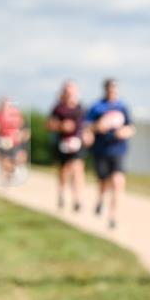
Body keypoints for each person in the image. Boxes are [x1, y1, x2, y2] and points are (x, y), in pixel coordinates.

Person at [84, 79, 135, 230]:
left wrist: (125, 132)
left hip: (118, 149)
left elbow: (131, 127)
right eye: (110, 89)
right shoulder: (96, 107)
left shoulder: (122, 107)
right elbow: (87, 127)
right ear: (105, 90)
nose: (113, 92)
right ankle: (100, 200)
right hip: (101, 149)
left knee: (118, 182)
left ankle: (113, 216)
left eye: (115, 89)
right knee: (103, 181)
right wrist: (96, 127)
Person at [47, 81, 88, 212]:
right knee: (64, 171)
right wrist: (61, 126)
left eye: (72, 91)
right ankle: (62, 193)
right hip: (62, 144)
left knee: (78, 168)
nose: (70, 94)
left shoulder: (81, 108)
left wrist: (88, 134)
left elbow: (86, 125)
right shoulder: (57, 108)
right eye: (67, 91)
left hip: (77, 143)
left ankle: (77, 198)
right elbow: (48, 125)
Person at [0, 97, 25, 184]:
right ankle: (9, 175)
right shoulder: (0, 115)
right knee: (6, 159)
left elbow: (21, 125)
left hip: (12, 140)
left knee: (10, 159)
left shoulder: (12, 114)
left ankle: (10, 173)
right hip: (5, 139)